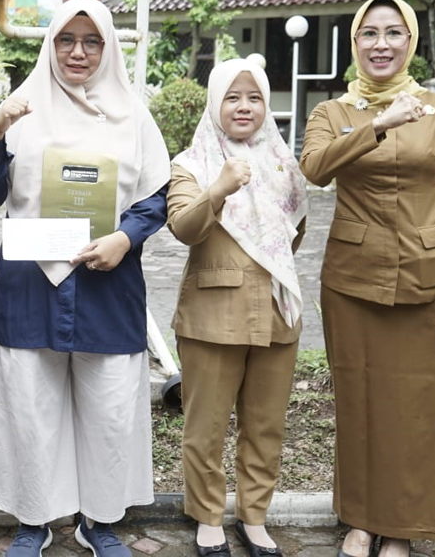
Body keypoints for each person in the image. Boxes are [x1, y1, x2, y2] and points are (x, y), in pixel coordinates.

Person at [0, 0, 170, 557]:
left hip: (108, 282)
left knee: (108, 409)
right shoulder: (24, 107)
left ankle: (97, 521)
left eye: (91, 41)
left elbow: (158, 196)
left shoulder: (133, 114)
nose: (77, 52)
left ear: (107, 49)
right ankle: (34, 520)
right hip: (31, 282)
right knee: (30, 408)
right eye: (66, 40)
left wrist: (125, 237)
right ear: (49, 44)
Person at [299, 0, 435, 557]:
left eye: (393, 33)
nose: (381, 44)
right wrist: (377, 124)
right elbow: (315, 169)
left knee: (419, 408)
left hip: (432, 282)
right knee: (357, 404)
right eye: (369, 34)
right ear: (354, 43)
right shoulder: (332, 112)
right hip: (352, 281)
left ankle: (402, 527)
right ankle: (359, 521)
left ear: (411, 42)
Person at [166, 59, 309, 557]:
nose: (244, 106)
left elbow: (295, 234)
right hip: (212, 315)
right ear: (215, 103)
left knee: (266, 424)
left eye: (253, 97)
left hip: (275, 314)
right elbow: (183, 227)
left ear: (266, 105)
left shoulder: (282, 165)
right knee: (205, 425)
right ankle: (207, 517)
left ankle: (254, 515)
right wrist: (221, 187)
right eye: (232, 96)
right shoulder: (191, 163)